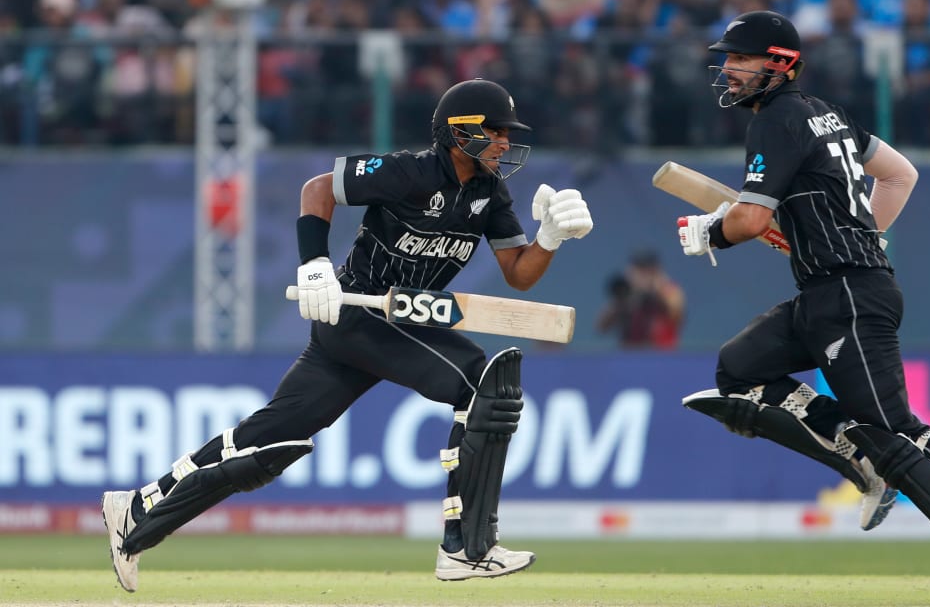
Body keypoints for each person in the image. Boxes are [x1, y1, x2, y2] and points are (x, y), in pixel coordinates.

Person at [101, 78, 594, 590]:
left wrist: (550, 238)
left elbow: (518, 272)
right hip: (358, 314)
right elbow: (318, 189)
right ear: (458, 131)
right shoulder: (409, 172)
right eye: (494, 132)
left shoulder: (490, 193)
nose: (504, 143)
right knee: (483, 383)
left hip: (398, 324)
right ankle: (468, 548)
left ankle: (136, 512)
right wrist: (315, 265)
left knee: (267, 443)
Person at [674, 10, 930, 605]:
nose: (728, 70)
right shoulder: (828, 114)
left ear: (778, 64)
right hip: (831, 290)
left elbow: (749, 218)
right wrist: (859, 233)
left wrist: (710, 233)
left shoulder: (777, 120)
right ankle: (857, 455)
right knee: (739, 369)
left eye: (739, 60)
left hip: (847, 293)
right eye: (726, 60)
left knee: (896, 432)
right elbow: (899, 176)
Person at [596, 250, 685, 349]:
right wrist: (621, 301)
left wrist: (657, 289)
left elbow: (677, 314)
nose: (641, 275)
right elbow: (601, 327)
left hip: (663, 356)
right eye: (638, 269)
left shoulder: (668, 290)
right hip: (631, 356)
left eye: (646, 269)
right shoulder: (627, 294)